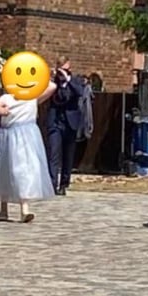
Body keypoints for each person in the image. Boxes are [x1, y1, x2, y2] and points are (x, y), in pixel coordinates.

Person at [0, 80, 57, 222]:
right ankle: (3, 209)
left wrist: (40, 76)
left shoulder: (31, 98)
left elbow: (52, 86)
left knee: (24, 172)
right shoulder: (6, 98)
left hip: (27, 139)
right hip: (8, 136)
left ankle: (24, 208)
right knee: (5, 171)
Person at [45, 56, 85, 196]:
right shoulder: (53, 82)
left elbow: (80, 92)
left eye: (66, 69)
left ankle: (64, 184)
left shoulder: (75, 81)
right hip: (56, 121)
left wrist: (67, 80)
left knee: (68, 155)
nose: (63, 73)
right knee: (53, 153)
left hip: (70, 123)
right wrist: (51, 77)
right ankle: (52, 183)